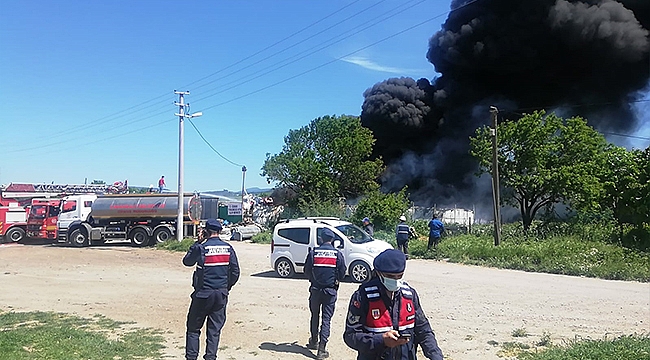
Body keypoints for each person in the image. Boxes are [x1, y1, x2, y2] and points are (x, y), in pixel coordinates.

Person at [343, 249, 444, 360]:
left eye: (399, 276)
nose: (395, 281)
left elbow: (423, 330)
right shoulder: (363, 296)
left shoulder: (409, 295)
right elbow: (351, 336)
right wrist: (381, 340)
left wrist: (435, 355)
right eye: (390, 276)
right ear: (378, 273)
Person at [183, 219, 240, 360]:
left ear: (205, 231)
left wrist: (197, 243)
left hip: (203, 294)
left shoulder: (202, 248)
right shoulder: (228, 248)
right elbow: (235, 272)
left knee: (193, 329)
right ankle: (210, 357)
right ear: (220, 231)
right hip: (220, 294)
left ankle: (191, 357)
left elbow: (187, 261)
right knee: (214, 330)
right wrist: (226, 287)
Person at [304, 228, 346, 359]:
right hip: (330, 291)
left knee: (314, 316)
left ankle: (314, 341)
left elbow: (306, 271)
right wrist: (335, 280)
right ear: (332, 239)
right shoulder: (337, 254)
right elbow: (342, 272)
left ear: (321, 238)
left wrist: (314, 279)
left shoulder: (314, 253)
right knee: (326, 319)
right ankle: (322, 350)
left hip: (315, 290)